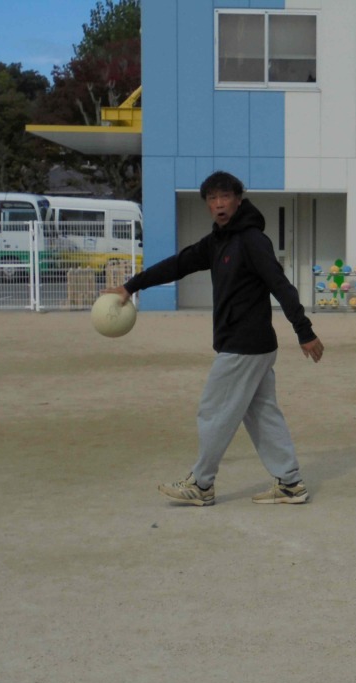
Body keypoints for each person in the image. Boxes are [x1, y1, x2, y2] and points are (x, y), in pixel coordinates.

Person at [104, 171, 323, 507]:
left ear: (238, 199)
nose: (219, 204)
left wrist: (303, 330)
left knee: (213, 411)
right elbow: (178, 264)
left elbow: (280, 284)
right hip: (253, 346)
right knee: (263, 415)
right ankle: (290, 483)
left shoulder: (252, 240)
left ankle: (201, 483)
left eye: (225, 197)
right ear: (207, 203)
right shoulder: (217, 241)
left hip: (244, 344)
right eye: (212, 198)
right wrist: (131, 286)